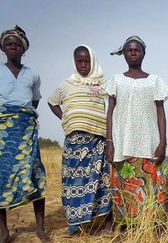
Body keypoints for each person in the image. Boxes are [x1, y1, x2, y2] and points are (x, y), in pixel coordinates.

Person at [48, 45, 112, 236]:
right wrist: (66, 117)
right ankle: (74, 226)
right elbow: (52, 102)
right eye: (79, 61)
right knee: (72, 183)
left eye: (87, 61)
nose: (83, 65)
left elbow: (113, 106)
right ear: (75, 62)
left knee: (102, 181)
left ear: (92, 61)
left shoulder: (103, 84)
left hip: (98, 141)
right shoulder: (66, 84)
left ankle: (108, 223)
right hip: (74, 143)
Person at [106, 36, 168, 226]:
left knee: (151, 185)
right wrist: (109, 142)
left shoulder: (155, 81)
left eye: (137, 50)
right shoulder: (116, 80)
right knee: (123, 186)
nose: (133, 53)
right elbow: (110, 113)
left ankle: (151, 225)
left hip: (149, 142)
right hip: (122, 142)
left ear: (144, 53)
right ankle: (124, 225)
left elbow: (161, 112)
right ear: (124, 53)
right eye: (129, 50)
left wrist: (162, 142)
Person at [0, 25, 49, 242]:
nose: (12, 47)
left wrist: (22, 116)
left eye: (17, 44)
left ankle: (40, 227)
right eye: (8, 44)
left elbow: (35, 101)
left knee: (35, 173)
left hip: (26, 131)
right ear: (3, 48)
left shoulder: (33, 75)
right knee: (1, 177)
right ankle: (3, 231)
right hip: (2, 131)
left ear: (23, 49)